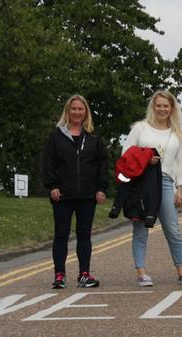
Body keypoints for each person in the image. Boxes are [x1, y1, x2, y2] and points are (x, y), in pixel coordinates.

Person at [123, 90, 182, 287]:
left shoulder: (176, 134)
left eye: (166, 105)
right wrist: (146, 158)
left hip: (164, 181)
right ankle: (141, 272)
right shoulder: (140, 128)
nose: (162, 109)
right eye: (159, 105)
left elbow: (180, 162)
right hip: (142, 181)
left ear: (171, 108)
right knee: (141, 228)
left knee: (172, 228)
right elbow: (126, 153)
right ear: (153, 107)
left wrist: (180, 188)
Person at [41, 95, 109, 289]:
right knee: (61, 234)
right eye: (74, 109)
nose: (77, 112)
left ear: (85, 112)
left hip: (87, 195)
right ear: (68, 111)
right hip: (62, 195)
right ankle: (59, 275)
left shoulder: (94, 138)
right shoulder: (56, 136)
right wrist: (52, 185)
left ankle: (84, 274)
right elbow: (48, 163)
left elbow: (102, 164)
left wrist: (101, 189)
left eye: (81, 109)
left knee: (84, 235)